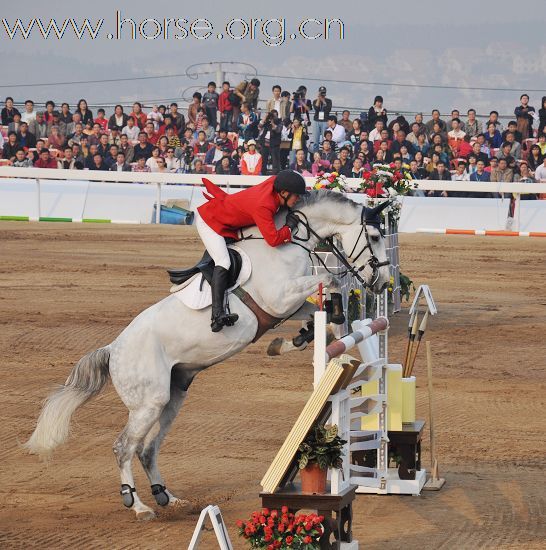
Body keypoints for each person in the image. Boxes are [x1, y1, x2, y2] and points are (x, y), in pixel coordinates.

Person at [195, 170, 305, 331]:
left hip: (228, 218)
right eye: (297, 196)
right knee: (223, 261)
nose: (299, 199)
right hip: (210, 221)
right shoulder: (263, 205)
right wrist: (289, 227)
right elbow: (274, 240)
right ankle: (217, 316)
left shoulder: (276, 183)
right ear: (283, 193)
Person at [258, 109, 281, 175]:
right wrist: (266, 117)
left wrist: (273, 122)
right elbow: (259, 126)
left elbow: (278, 130)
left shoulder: (279, 122)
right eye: (272, 115)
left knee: (275, 161)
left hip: (274, 144)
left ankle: (275, 175)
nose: (272, 117)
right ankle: (263, 174)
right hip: (264, 144)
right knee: (263, 160)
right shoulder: (266, 121)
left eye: (274, 115)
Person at [311, 86, 332, 153]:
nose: (322, 94)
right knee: (315, 140)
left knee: (325, 140)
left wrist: (323, 100)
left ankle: (324, 154)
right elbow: (316, 109)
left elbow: (328, 110)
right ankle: (315, 155)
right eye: (321, 92)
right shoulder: (315, 101)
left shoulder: (329, 101)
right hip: (316, 121)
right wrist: (318, 98)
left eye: (323, 92)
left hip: (325, 121)